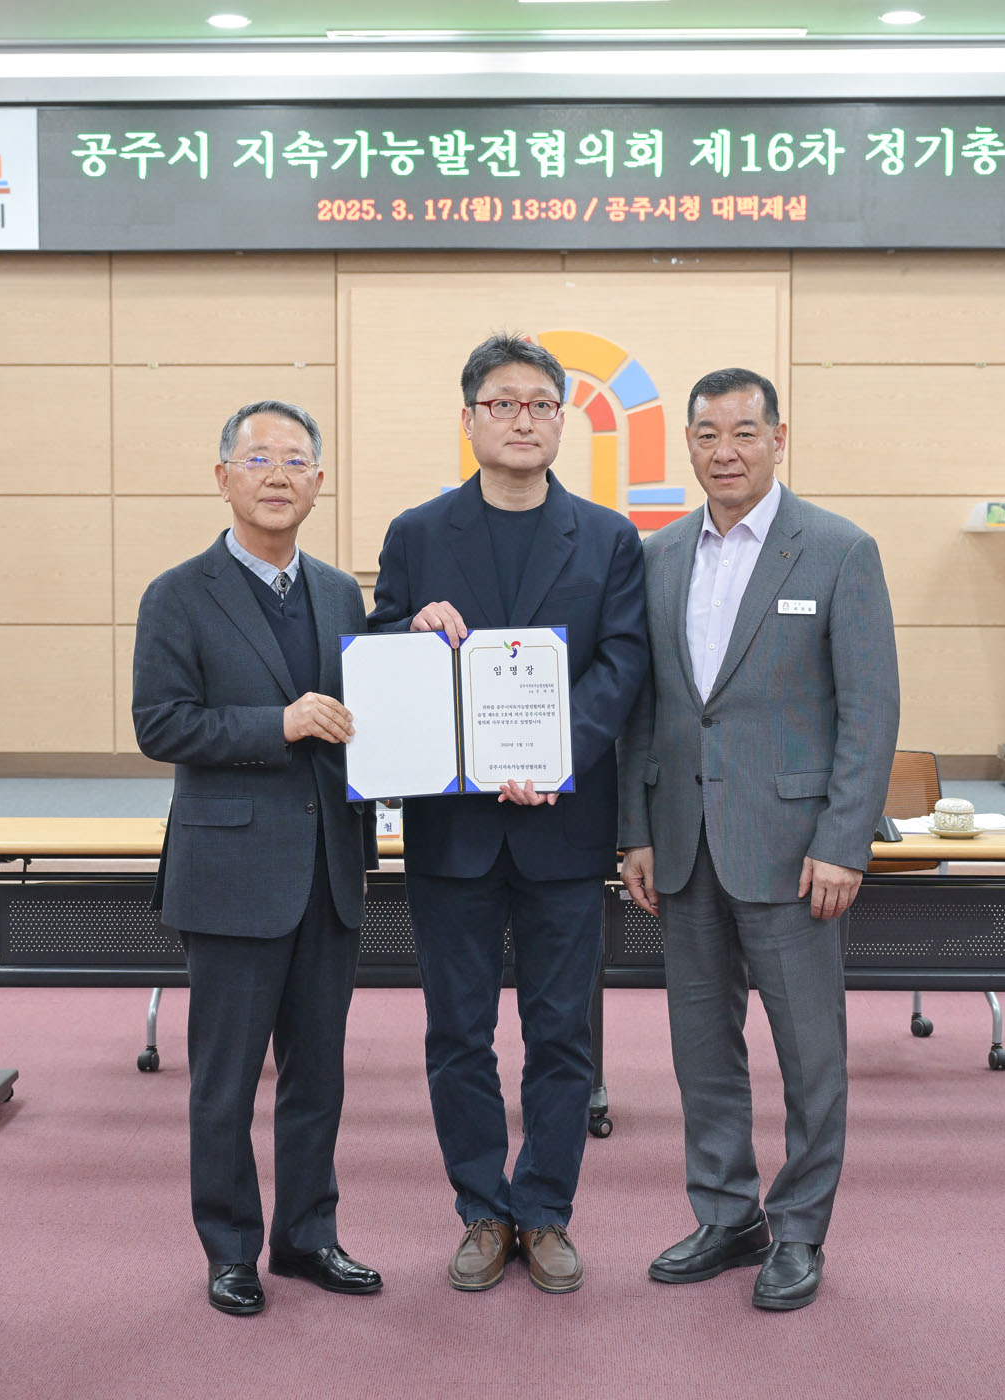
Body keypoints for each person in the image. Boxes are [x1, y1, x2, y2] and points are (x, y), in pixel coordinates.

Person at [369, 333, 649, 1295]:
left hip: (561, 827)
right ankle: (482, 1210)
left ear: (561, 420)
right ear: (468, 419)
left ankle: (546, 1209)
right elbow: (381, 652)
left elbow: (622, 663)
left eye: (540, 404)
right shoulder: (416, 534)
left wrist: (552, 752)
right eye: (502, 403)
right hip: (452, 832)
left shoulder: (608, 538)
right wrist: (411, 633)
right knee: (458, 1034)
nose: (522, 419)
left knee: (562, 1035)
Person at [617, 367, 899, 1313]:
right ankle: (727, 1214)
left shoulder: (838, 551)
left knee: (810, 1054)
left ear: (780, 440)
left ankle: (801, 1228)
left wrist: (845, 841)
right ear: (688, 446)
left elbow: (869, 711)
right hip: (683, 844)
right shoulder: (658, 556)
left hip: (795, 852)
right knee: (701, 1047)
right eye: (707, 434)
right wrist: (635, 830)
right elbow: (644, 709)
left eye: (744, 432)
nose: (725, 451)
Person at [132, 399, 381, 1317]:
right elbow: (160, 724)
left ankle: (307, 1236)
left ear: (319, 481)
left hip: (328, 871)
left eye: (297, 460)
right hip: (232, 875)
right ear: (223, 477)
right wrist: (276, 724)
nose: (279, 475)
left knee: (319, 1078)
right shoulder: (177, 594)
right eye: (259, 458)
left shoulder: (341, 594)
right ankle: (230, 1248)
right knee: (226, 1083)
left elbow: (364, 719)